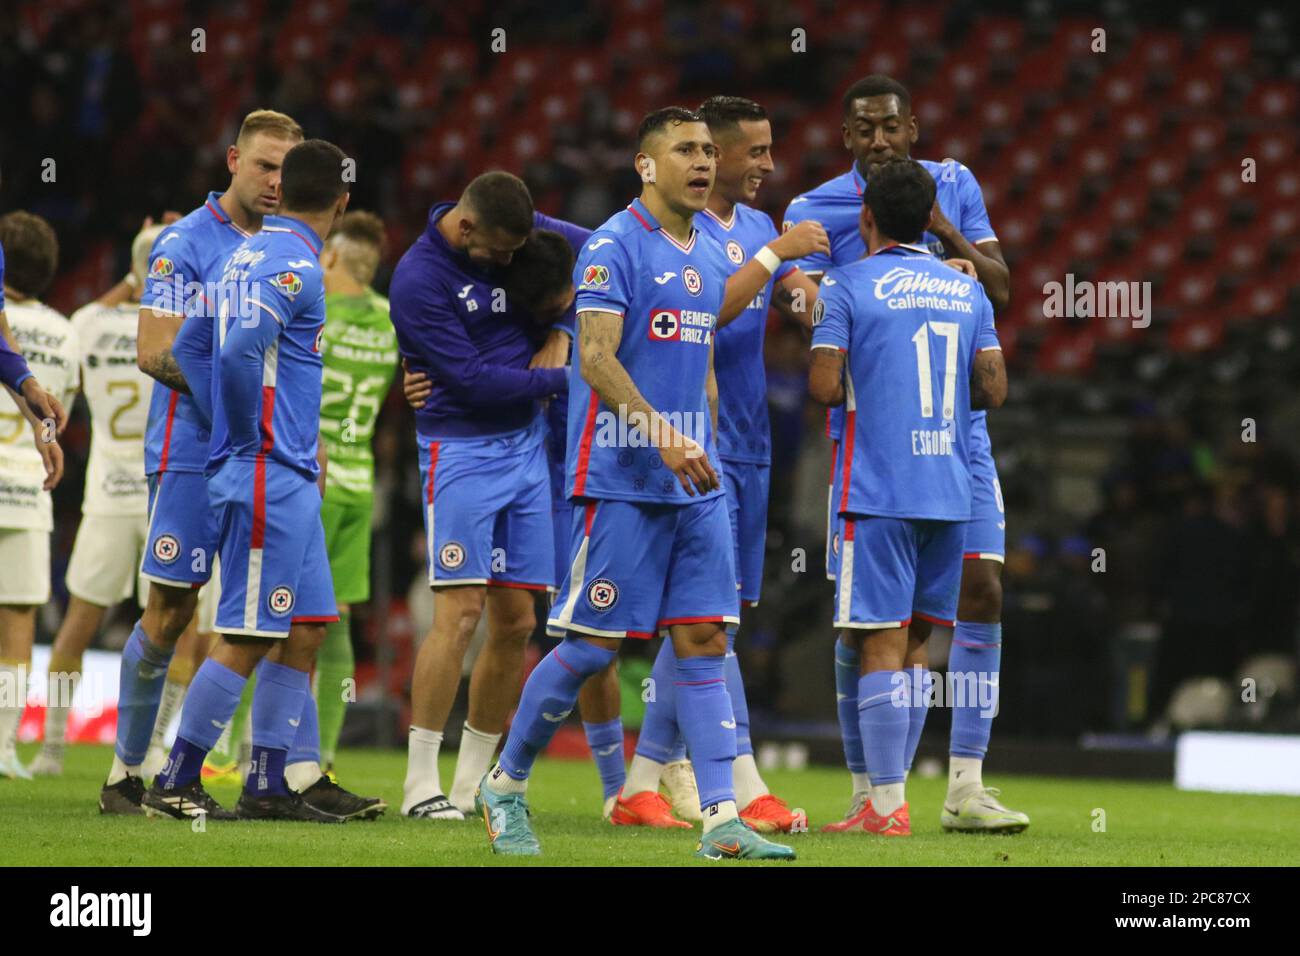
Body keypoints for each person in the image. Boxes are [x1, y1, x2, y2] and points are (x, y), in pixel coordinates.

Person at [475, 107, 794, 860]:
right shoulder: (613, 248)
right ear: (646, 166)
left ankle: (722, 823)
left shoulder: (713, 247)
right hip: (624, 476)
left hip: (695, 480)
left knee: (704, 638)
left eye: (709, 150)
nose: (704, 161)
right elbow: (594, 358)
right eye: (685, 149)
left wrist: (704, 436)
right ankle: (505, 786)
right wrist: (664, 435)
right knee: (591, 647)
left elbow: (704, 356)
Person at [785, 74, 1027, 832]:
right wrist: (818, 300)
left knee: (975, 593)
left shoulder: (954, 184)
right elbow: (801, 307)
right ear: (847, 137)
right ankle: (872, 790)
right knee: (871, 624)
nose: (880, 140)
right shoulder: (808, 210)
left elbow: (1001, 286)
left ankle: (963, 787)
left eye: (891, 126)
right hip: (872, 441)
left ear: (913, 127)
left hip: (961, 445)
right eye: (865, 130)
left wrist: (943, 234)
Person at [613, 95, 827, 832]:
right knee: (702, 621)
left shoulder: (763, 227)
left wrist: (800, 289)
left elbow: (775, 290)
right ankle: (735, 780)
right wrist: (778, 259)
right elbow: (711, 310)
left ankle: (645, 781)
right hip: (692, 444)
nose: (766, 164)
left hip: (751, 441)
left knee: (715, 621)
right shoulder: (684, 228)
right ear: (714, 153)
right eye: (755, 151)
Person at [144, 138, 373, 822]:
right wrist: (243, 437)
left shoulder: (244, 254)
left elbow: (188, 344)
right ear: (342, 201)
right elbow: (240, 350)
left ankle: (268, 782)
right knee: (247, 632)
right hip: (270, 470)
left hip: (286, 469)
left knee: (305, 624)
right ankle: (173, 780)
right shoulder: (295, 265)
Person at [100, 109, 306, 814]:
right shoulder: (184, 242)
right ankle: (126, 774)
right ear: (232, 161)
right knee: (169, 612)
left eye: (287, 169)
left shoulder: (292, 248)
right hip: (191, 454)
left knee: (278, 617)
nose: (276, 181)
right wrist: (240, 408)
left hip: (271, 461)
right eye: (264, 166)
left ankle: (271, 778)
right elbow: (155, 349)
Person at [389, 171, 585, 820]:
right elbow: (469, 382)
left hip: (527, 452)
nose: (509, 262)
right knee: (460, 613)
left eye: (515, 251)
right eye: (499, 254)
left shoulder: (519, 229)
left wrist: (565, 329)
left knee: (518, 622)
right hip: (462, 452)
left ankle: (474, 782)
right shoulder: (419, 280)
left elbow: (610, 249)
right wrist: (564, 377)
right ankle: (420, 781)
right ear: (466, 227)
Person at [30, 223, 162, 777]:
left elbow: (88, 317)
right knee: (176, 622)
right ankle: (156, 752)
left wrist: (134, 273)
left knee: (79, 622)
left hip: (107, 496)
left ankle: (52, 750)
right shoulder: (177, 326)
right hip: (164, 494)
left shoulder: (87, 323)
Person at [312, 210, 398, 774]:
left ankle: (232, 752)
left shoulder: (313, 312)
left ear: (334, 257)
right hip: (355, 484)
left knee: (267, 620)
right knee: (337, 619)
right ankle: (322, 755)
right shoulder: (391, 322)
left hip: (306, 480)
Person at [0, 212, 79, 779]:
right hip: (28, 483)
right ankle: (4, 749)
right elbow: (60, 416)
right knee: (19, 616)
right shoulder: (64, 329)